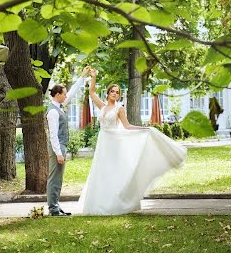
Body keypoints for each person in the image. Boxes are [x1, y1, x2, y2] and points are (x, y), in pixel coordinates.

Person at [78, 68, 187, 215]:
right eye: (112, 91)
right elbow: (91, 92)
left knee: (114, 172)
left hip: (114, 143)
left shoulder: (119, 109)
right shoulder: (102, 106)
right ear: (108, 93)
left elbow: (127, 126)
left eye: (117, 92)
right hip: (103, 142)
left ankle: (116, 203)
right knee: (101, 172)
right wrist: (94, 77)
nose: (115, 94)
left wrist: (144, 129)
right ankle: (99, 205)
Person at [46, 66, 90, 216]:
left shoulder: (59, 106)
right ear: (57, 95)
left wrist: (82, 76)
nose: (66, 96)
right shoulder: (53, 111)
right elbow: (53, 135)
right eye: (63, 94)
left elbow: (71, 93)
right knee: (55, 179)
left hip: (61, 147)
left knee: (58, 179)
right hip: (57, 147)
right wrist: (58, 153)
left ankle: (56, 206)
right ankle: (53, 209)